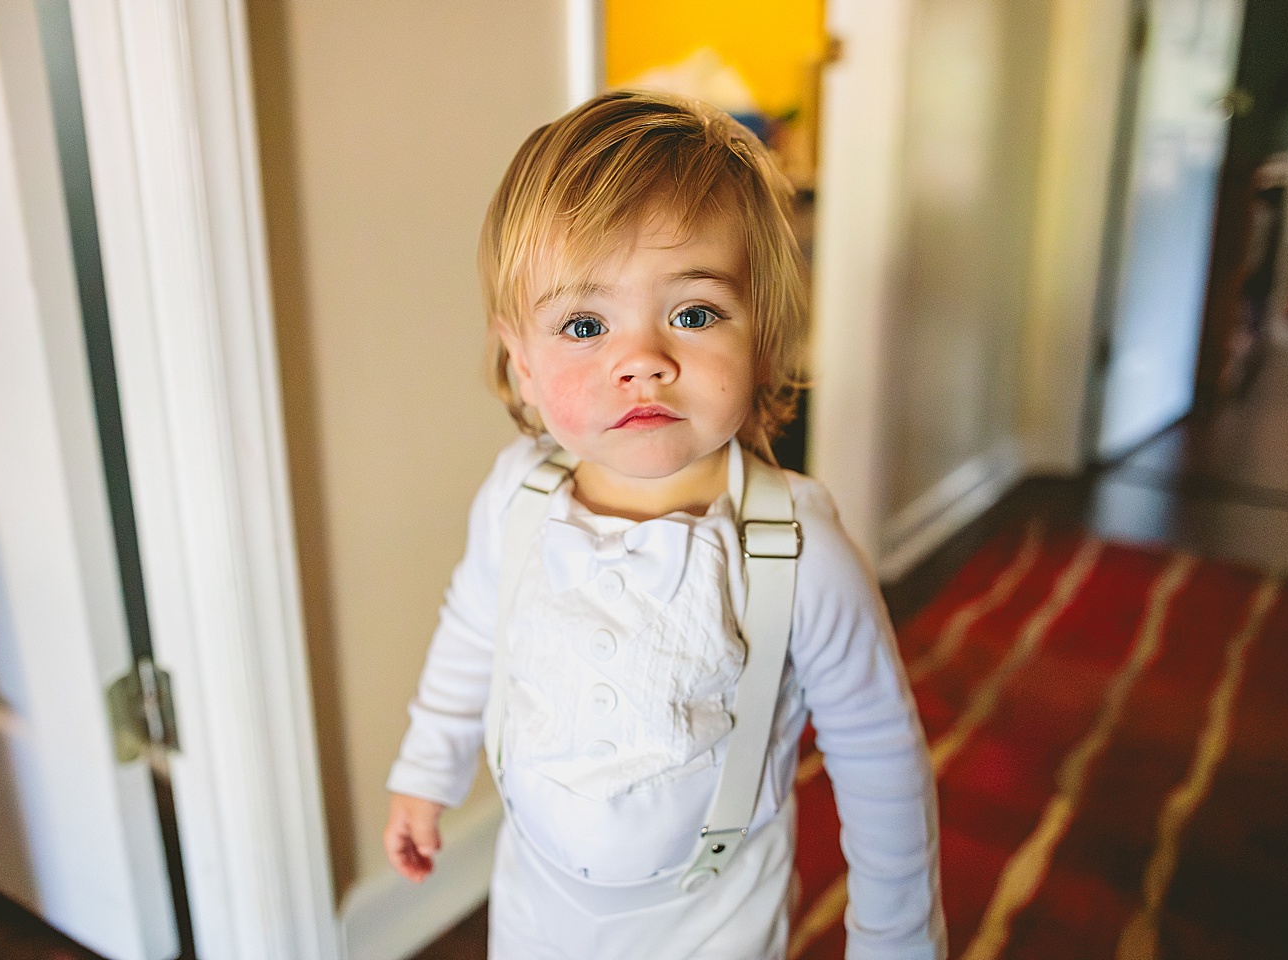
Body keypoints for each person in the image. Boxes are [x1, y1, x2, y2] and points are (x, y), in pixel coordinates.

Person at [384, 90, 945, 960]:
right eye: (583, 324)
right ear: (521, 365)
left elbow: (881, 764)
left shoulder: (798, 550)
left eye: (693, 314)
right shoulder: (515, 499)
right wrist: (428, 771)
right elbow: (470, 636)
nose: (641, 358)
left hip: (714, 919)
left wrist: (895, 939)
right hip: (534, 897)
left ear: (763, 339)